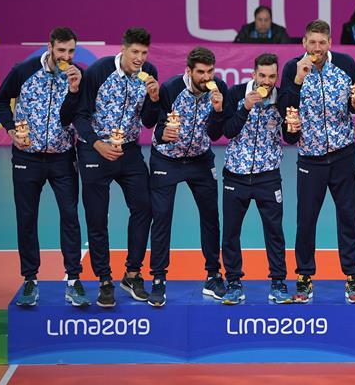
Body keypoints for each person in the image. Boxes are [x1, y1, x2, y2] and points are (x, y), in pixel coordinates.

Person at [0, 28, 87, 307]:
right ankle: (30, 280)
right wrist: (11, 130)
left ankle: (73, 280)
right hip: (27, 158)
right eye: (61, 51)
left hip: (62, 157)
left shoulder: (76, 76)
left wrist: (73, 91)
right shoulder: (23, 71)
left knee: (70, 216)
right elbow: (0, 100)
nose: (66, 57)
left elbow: (72, 116)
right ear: (50, 47)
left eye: (71, 51)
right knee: (27, 218)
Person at [73, 27, 162, 308]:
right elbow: (81, 114)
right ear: (122, 49)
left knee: (144, 207)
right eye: (134, 52)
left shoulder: (149, 73)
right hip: (95, 150)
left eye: (144, 53)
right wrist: (97, 143)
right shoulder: (99, 71)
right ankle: (105, 280)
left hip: (129, 151)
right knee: (98, 218)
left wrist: (154, 99)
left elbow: (148, 122)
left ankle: (132, 274)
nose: (139, 58)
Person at [281, 20, 355, 304]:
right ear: (304, 43)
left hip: (343, 155)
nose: (316, 48)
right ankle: (304, 277)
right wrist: (296, 80)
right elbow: (285, 109)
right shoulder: (293, 69)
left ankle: (352, 276)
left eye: (321, 42)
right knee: (306, 221)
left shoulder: (346, 64)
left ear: (329, 43)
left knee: (348, 218)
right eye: (311, 43)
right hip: (310, 158)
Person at [146, 47, 228, 307]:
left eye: (210, 72)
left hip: (200, 160)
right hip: (166, 160)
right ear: (189, 71)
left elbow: (215, 135)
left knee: (211, 218)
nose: (206, 77)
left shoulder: (218, 90)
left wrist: (217, 110)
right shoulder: (170, 89)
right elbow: (155, 125)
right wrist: (162, 134)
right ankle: (158, 279)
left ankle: (213, 275)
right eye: (201, 72)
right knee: (161, 218)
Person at [219, 54, 295, 305]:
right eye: (262, 75)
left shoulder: (282, 97)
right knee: (231, 233)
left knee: (275, 232)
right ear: (253, 74)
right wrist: (245, 108)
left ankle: (278, 282)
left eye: (272, 76)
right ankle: (233, 281)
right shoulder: (237, 93)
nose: (267, 80)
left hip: (268, 176)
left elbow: (291, 138)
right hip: (235, 175)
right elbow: (226, 131)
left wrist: (294, 125)